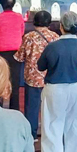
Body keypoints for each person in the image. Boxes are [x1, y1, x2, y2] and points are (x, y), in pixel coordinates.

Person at [37, 11, 77, 152]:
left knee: (52, 127)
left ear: (61, 27)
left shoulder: (52, 47)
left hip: (55, 89)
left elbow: (41, 66)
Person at [14, 10, 59, 140]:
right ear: (49, 23)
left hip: (32, 79)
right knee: (50, 108)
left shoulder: (29, 37)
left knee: (31, 109)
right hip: (50, 79)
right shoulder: (55, 37)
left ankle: (31, 135)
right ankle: (49, 135)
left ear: (34, 22)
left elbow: (19, 57)